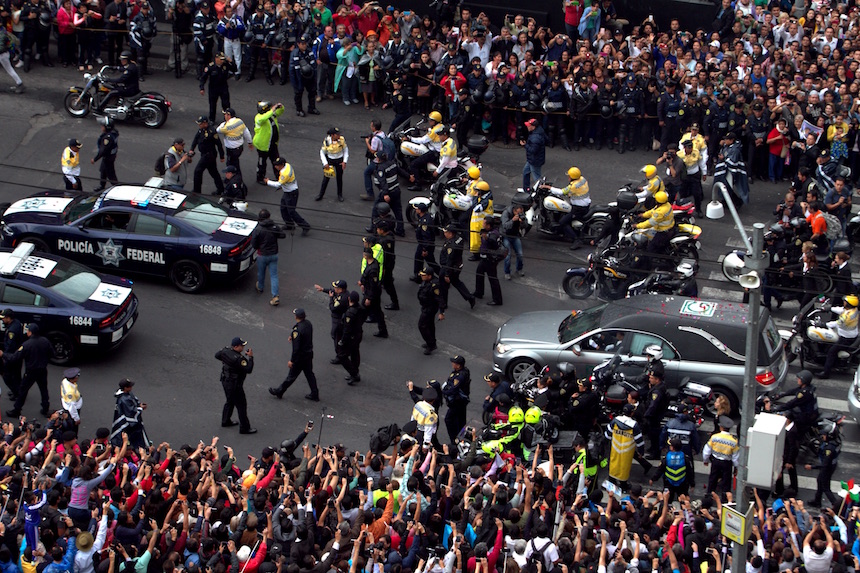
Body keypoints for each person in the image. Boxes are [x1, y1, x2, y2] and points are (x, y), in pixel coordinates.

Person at [2, 323, 53, 417]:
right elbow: (51, 353)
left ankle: (16, 410)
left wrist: (3, 355)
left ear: (30, 332)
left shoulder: (27, 345)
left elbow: (14, 357)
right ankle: (45, 407)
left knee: (23, 391)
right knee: (43, 389)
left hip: (31, 371)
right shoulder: (45, 341)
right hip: (42, 370)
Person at [269, 308, 319, 401]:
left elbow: (296, 349)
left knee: (291, 376)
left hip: (300, 358)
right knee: (309, 374)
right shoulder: (308, 323)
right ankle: (315, 393)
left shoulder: (298, 330)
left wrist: (292, 360)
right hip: (308, 354)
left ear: (296, 316)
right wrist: (292, 335)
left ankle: (280, 391)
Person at [215, 336, 256, 434]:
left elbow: (217, 355)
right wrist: (250, 357)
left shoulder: (225, 351)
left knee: (230, 401)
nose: (243, 347)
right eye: (242, 346)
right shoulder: (239, 359)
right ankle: (244, 428)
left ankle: (225, 421)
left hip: (225, 380)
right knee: (241, 405)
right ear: (236, 346)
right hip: (235, 384)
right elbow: (248, 369)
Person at [543, 167, 590, 249]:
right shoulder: (582, 179)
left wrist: (549, 188)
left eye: (569, 176)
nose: (568, 177)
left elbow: (562, 192)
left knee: (562, 222)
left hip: (579, 208)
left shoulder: (573, 186)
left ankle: (576, 239)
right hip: (585, 204)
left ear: (572, 177)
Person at [265, 157, 311, 236]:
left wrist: (268, 182)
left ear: (282, 165)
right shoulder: (288, 165)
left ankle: (305, 226)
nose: (276, 167)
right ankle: (289, 224)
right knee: (283, 208)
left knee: (291, 212)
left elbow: (278, 184)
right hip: (288, 192)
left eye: (277, 165)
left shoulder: (284, 174)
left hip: (291, 193)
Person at [604, 403, 646, 490]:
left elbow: (607, 435)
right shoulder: (634, 425)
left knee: (613, 464)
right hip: (627, 451)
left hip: (615, 448)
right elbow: (639, 441)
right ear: (632, 413)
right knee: (624, 467)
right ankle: (623, 485)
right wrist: (641, 452)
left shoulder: (615, 421)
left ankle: (612, 481)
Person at [816, 294, 858, 378]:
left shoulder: (848, 316)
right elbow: (842, 310)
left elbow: (837, 323)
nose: (843, 302)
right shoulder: (853, 310)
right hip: (846, 333)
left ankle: (826, 373)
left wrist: (823, 324)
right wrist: (829, 308)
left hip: (846, 338)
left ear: (848, 304)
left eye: (845, 302)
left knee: (832, 351)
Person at [252, 209, 286, 306]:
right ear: (269, 217)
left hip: (262, 255)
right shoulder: (274, 227)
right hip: (273, 254)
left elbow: (254, 244)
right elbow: (283, 235)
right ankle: (275, 296)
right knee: (274, 275)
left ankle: (260, 287)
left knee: (261, 273)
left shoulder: (258, 229)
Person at [405, 111, 445, 189]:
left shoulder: (433, 132)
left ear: (435, 121)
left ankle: (417, 184)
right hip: (440, 150)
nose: (429, 121)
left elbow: (422, 140)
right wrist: (426, 129)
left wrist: (410, 138)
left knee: (414, 164)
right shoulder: (441, 126)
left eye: (431, 120)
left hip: (434, 152)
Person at [439, 225, 475, 312]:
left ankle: (443, 303)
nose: (444, 234)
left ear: (451, 233)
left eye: (446, 232)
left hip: (449, 267)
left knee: (443, 285)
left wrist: (447, 274)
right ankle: (469, 297)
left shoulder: (452, 245)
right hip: (457, 265)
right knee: (456, 282)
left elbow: (450, 260)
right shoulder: (459, 239)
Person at [702, 415, 739, 497]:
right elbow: (736, 457)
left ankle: (709, 495)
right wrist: (736, 467)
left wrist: (705, 460)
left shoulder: (714, 437)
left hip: (715, 462)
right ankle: (725, 499)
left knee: (713, 479)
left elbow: (706, 450)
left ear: (721, 427)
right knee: (726, 482)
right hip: (727, 464)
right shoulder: (733, 441)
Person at [636, 190, 674, 268]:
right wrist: (643, 215)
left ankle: (647, 268)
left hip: (663, 233)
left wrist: (637, 226)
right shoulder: (666, 205)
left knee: (650, 250)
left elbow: (650, 223)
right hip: (670, 228)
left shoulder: (660, 212)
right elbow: (653, 211)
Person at [190, 115, 225, 195]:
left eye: (200, 123)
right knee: (213, 172)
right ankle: (221, 189)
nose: (199, 125)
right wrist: (192, 148)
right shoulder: (201, 130)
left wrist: (222, 156)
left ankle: (197, 191)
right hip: (204, 154)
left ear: (205, 123)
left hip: (209, 155)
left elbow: (219, 144)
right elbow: (196, 139)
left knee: (198, 171)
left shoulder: (212, 131)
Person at [805, 430, 840, 507]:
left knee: (825, 487)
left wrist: (812, 467)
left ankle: (836, 504)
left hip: (827, 469)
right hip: (829, 467)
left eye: (824, 435)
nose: (822, 437)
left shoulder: (829, 448)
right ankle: (817, 501)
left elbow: (825, 464)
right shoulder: (831, 444)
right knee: (820, 481)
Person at [110, 378, 149, 448]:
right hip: (128, 424)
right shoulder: (124, 399)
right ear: (125, 388)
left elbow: (134, 402)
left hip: (130, 424)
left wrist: (139, 405)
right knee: (131, 437)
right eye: (130, 386)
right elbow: (130, 412)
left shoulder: (128, 394)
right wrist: (140, 408)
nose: (131, 387)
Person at [314, 279, 348, 356]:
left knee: (336, 336)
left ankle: (340, 355)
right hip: (338, 319)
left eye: (336, 288)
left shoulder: (341, 300)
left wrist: (331, 298)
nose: (334, 289)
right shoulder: (343, 293)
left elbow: (332, 308)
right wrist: (323, 289)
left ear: (340, 289)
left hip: (338, 319)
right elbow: (332, 291)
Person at [473, 217, 503, 306]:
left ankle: (497, 300)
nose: (482, 224)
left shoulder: (493, 234)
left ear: (489, 226)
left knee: (493, 279)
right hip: (484, 258)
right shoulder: (487, 231)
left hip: (490, 260)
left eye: (484, 223)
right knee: (479, 274)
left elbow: (494, 242)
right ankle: (479, 292)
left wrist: (487, 238)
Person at [338, 291, 366, 385]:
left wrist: (342, 341)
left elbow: (347, 329)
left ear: (349, 299)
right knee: (355, 353)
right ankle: (355, 372)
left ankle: (353, 373)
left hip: (351, 337)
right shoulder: (360, 308)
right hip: (358, 334)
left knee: (342, 355)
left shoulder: (350, 313)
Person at [199, 52, 236, 123]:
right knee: (212, 105)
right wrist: (202, 88)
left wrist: (231, 62)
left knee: (226, 104)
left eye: (223, 59)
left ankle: (227, 118)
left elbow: (234, 69)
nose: (222, 61)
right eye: (221, 59)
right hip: (213, 88)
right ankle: (212, 119)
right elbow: (203, 78)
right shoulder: (211, 67)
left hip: (223, 87)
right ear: (216, 59)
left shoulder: (225, 65)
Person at [253, 101, 284, 184]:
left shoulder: (271, 115)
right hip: (263, 145)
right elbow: (264, 117)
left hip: (273, 144)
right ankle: (260, 178)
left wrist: (280, 107)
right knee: (262, 162)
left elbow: (279, 112)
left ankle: (279, 177)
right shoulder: (258, 118)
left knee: (276, 161)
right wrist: (272, 110)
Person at [359, 248, 387, 338]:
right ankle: (383, 331)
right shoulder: (372, 263)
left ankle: (356, 330)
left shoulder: (373, 269)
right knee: (377, 312)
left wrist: (369, 298)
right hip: (372, 292)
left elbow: (373, 285)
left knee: (362, 311)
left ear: (366, 256)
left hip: (371, 294)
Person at [442, 356, 470, 443]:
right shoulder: (462, 371)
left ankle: (454, 439)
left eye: (454, 363)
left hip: (457, 402)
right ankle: (461, 437)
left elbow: (454, 389)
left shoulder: (459, 376)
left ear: (458, 366)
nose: (452, 364)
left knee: (449, 419)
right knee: (460, 419)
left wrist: (444, 392)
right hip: (461, 401)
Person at [217, 108, 252, 177]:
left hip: (232, 149)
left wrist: (225, 122)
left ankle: (236, 179)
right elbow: (246, 132)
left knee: (232, 165)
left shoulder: (227, 126)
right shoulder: (240, 121)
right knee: (233, 162)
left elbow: (218, 130)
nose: (224, 116)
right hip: (240, 147)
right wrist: (250, 142)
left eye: (225, 114)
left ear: (229, 115)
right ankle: (232, 178)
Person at [290, 35, 319, 117]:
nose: (304, 45)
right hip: (299, 77)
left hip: (309, 77)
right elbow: (292, 70)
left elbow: (314, 65)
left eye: (305, 43)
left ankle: (311, 108)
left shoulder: (309, 51)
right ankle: (299, 110)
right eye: (302, 44)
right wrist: (294, 83)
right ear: (298, 44)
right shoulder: (295, 54)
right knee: (298, 94)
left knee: (312, 92)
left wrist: (314, 77)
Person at [417, 265, 442, 355]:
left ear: (429, 276)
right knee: (430, 325)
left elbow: (440, 299)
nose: (421, 276)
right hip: (425, 306)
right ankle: (432, 342)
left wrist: (441, 312)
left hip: (430, 308)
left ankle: (430, 344)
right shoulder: (426, 281)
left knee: (422, 325)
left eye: (424, 275)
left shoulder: (434, 285)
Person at [317, 126, 348, 201]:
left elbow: (345, 150)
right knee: (326, 178)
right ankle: (321, 194)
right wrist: (325, 163)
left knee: (339, 178)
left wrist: (344, 161)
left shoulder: (341, 140)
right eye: (337, 134)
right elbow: (322, 152)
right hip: (330, 160)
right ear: (332, 135)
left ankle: (339, 195)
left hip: (339, 160)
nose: (339, 136)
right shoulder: (327, 141)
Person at [642, 368, 667, 459]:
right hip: (656, 415)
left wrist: (646, 415)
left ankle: (655, 454)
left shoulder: (657, 391)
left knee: (654, 435)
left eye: (651, 378)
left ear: (657, 379)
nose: (649, 379)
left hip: (654, 416)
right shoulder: (659, 386)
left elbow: (653, 405)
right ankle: (652, 448)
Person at [410, 202, 437, 282]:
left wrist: (425, 249)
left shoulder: (424, 222)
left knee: (431, 262)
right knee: (418, 260)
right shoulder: (424, 217)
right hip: (422, 245)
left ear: (420, 210)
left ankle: (443, 277)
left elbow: (426, 237)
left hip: (426, 246)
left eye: (417, 209)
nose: (416, 210)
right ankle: (418, 276)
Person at [375, 222, 399, 311]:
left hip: (386, 265)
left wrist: (384, 268)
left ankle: (395, 302)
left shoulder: (386, 241)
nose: (377, 231)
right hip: (388, 263)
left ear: (382, 230)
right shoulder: (389, 235)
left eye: (378, 229)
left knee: (388, 284)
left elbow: (386, 257)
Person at [0, 309, 22, 401]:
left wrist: (4, 355)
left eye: (3, 318)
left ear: (9, 318)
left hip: (12, 356)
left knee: (8, 375)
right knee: (17, 374)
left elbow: (10, 346)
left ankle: (16, 393)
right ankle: (18, 391)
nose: (2, 320)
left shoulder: (11, 331)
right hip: (18, 354)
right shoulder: (16, 323)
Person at [91, 117, 119, 191]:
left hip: (108, 158)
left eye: (103, 126)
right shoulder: (114, 132)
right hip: (110, 156)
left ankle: (118, 188)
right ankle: (101, 186)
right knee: (103, 171)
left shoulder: (108, 138)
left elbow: (102, 151)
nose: (101, 127)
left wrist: (95, 159)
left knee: (111, 175)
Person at [128, 2, 156, 75]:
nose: (145, 11)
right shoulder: (137, 17)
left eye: (146, 9)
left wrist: (153, 33)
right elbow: (131, 28)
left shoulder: (150, 17)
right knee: (140, 57)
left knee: (146, 55)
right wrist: (138, 27)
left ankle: (144, 70)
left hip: (147, 39)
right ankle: (139, 74)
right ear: (141, 9)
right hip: (138, 40)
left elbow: (154, 26)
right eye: (144, 9)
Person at [192, 1, 217, 81]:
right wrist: (203, 39)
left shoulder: (210, 16)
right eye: (205, 9)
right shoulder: (198, 19)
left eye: (207, 9)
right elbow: (197, 31)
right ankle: (199, 74)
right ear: (201, 9)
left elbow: (214, 25)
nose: (206, 10)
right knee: (201, 58)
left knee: (208, 57)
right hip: (201, 41)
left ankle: (207, 72)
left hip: (210, 39)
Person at [520, 118, 546, 188]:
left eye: (529, 125)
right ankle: (526, 189)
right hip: (532, 159)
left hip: (535, 160)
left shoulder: (535, 138)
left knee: (537, 178)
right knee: (525, 172)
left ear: (533, 127)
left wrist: (525, 145)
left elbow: (533, 150)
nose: (527, 126)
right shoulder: (538, 132)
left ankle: (542, 191)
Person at [60, 367, 83, 431]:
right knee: (73, 427)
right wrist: (76, 418)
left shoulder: (65, 381)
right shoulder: (70, 393)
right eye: (77, 376)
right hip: (72, 410)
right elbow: (72, 407)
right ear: (72, 379)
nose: (78, 377)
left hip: (67, 404)